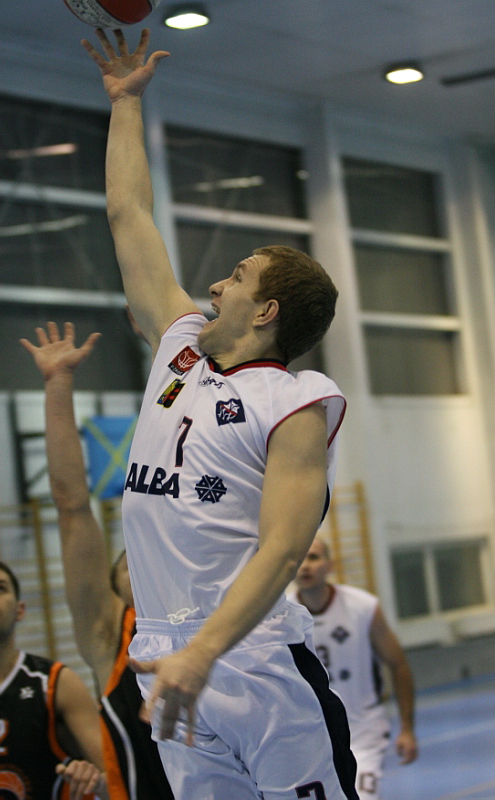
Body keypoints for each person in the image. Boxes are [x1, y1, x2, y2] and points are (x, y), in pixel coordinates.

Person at [81, 26, 358, 800]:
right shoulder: (178, 347)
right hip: (164, 656)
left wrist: (205, 651)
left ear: (265, 311)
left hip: (253, 658)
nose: (213, 287)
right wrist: (125, 105)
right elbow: (128, 215)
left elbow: (282, 548)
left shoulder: (296, 401)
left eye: (235, 277)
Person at [20, 322, 174, 800]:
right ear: (115, 591)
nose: (142, 565)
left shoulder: (219, 625)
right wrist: (58, 385)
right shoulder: (112, 636)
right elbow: (71, 507)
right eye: (129, 564)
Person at [288, 537, 418, 800]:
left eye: (313, 557)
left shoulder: (363, 607)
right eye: (300, 558)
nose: (305, 566)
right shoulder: (281, 615)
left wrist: (407, 728)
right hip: (312, 736)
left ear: (330, 565)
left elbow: (398, 665)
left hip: (363, 731)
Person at [0, 561, 107, 799]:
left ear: (20, 610)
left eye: (0, 588)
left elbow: (117, 780)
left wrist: (92, 779)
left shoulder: (57, 683)